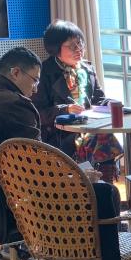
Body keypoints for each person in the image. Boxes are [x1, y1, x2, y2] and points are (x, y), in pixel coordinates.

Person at [31, 20, 123, 181]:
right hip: (59, 134)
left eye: (80, 43)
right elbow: (37, 113)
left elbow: (98, 99)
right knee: (100, 138)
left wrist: (110, 103)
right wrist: (65, 109)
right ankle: (95, 184)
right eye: (72, 46)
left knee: (103, 135)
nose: (79, 49)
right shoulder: (44, 73)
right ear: (56, 48)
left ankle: (103, 184)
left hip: (88, 128)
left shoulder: (87, 69)